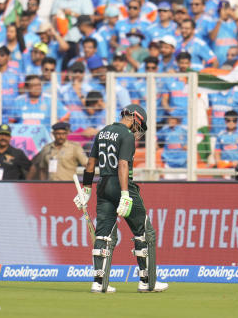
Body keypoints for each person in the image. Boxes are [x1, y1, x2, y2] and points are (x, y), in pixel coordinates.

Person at [72, 104, 169, 294]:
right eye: (139, 125)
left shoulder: (102, 133)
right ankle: (147, 282)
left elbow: (91, 163)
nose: (138, 131)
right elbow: (123, 164)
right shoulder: (126, 135)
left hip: (103, 185)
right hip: (121, 184)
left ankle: (99, 283)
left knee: (103, 234)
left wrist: (86, 189)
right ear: (133, 117)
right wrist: (125, 194)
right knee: (144, 231)